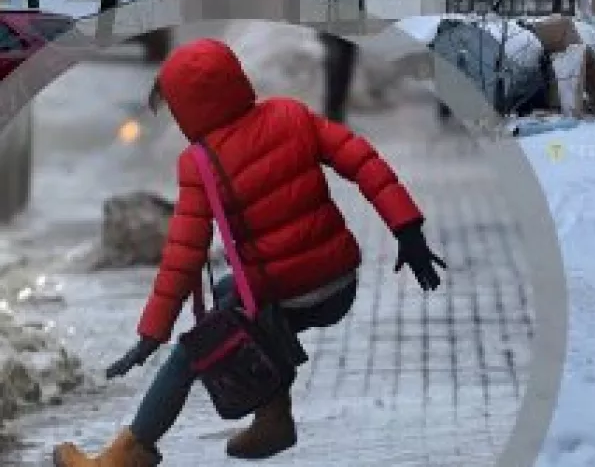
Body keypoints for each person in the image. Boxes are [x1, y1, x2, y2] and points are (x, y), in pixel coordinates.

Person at [53, 38, 447, 466]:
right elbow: (363, 161)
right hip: (339, 285)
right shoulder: (290, 114)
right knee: (229, 295)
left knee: (197, 346)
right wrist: (408, 232)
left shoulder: (200, 162)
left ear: (188, 107)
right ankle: (273, 418)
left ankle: (128, 453)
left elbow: (184, 255)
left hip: (286, 294)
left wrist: (153, 334)